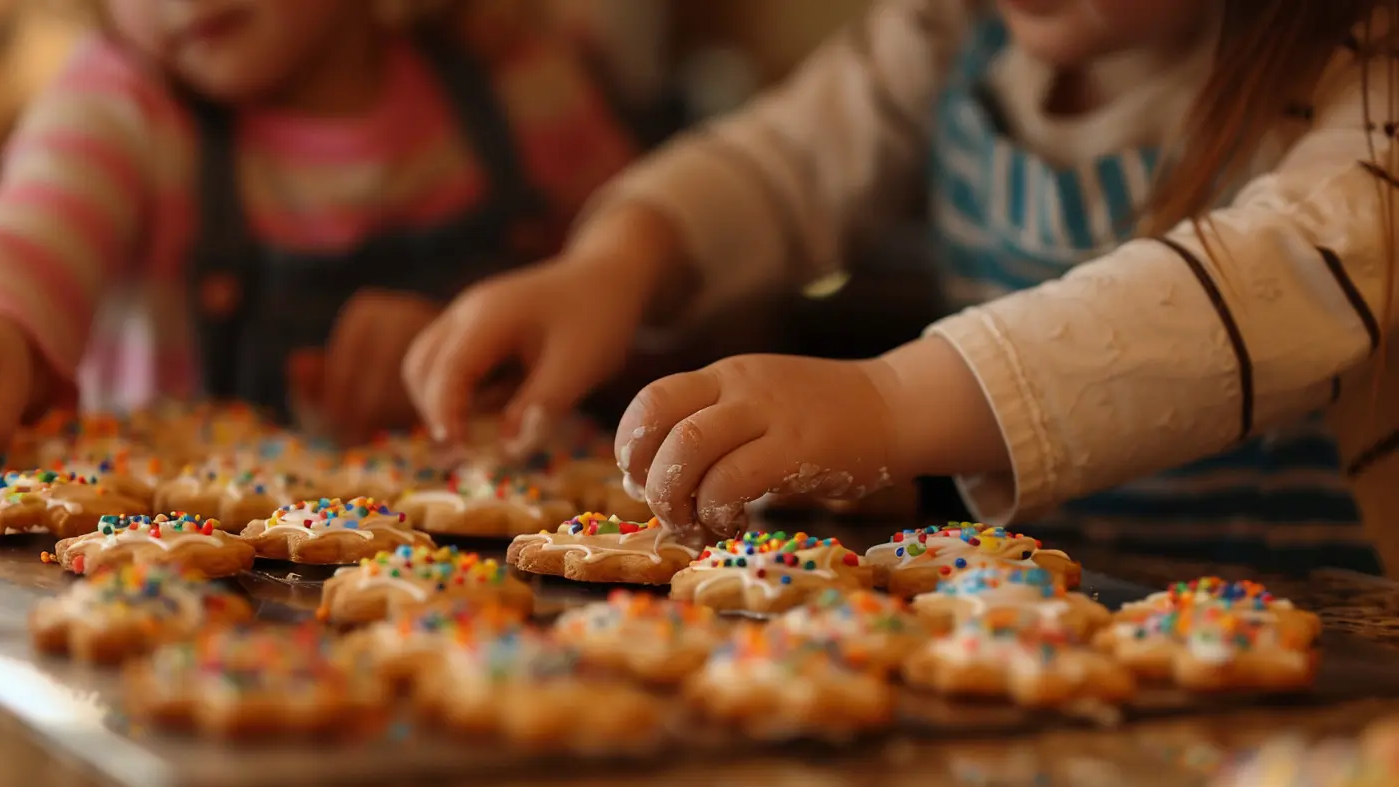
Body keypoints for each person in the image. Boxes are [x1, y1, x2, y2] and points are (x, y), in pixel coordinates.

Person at [404, 0, 1399, 575]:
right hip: (1041, 620)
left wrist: (890, 400)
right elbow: (787, 161)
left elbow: (1287, 278)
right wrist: (616, 263)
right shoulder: (950, 27)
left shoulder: (1367, 76)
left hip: (1336, 649)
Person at [0, 0, 637, 460]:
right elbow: (21, 237)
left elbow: (640, 307)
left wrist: (489, 366)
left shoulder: (518, 80)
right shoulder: (124, 102)